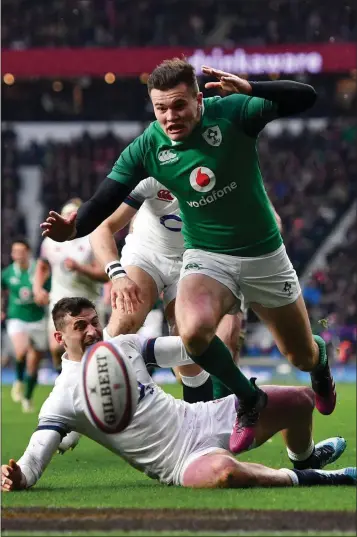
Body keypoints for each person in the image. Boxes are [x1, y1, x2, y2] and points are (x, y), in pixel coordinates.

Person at [40, 59, 336, 454]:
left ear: (199, 100)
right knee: (192, 332)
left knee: (299, 354)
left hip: (263, 254)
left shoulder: (231, 112)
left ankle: (319, 362)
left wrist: (250, 87)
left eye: (178, 105)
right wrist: (73, 228)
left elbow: (307, 97)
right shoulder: (149, 145)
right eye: (160, 108)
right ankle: (248, 399)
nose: (169, 116)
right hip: (205, 257)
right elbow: (104, 200)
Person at [1, 297, 354, 492]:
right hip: (179, 461)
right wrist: (17, 477)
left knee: (301, 401)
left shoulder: (124, 345)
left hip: (202, 417)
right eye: (81, 326)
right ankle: (320, 477)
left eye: (95, 321)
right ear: (60, 338)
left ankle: (305, 458)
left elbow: (188, 349)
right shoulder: (61, 398)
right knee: (225, 474)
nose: (94, 330)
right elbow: (32, 463)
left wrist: (206, 332)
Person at [90, 176, 245, 401]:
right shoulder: (153, 173)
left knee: (190, 341)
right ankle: (80, 398)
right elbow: (102, 227)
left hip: (194, 258)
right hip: (146, 254)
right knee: (125, 321)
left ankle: (201, 422)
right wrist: (118, 275)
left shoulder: (224, 178)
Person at [33, 198, 108, 374]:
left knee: (91, 350)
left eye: (71, 215)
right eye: (65, 215)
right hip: (59, 299)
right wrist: (38, 289)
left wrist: (80, 268)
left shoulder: (92, 239)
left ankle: (88, 386)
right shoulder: (50, 241)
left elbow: (104, 275)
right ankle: (68, 379)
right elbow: (42, 266)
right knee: (57, 348)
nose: (67, 219)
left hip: (88, 302)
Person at [1, 239, 50, 413]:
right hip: (16, 317)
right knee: (21, 351)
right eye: (15, 251)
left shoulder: (39, 270)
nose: (18, 254)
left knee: (33, 363)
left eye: (21, 251)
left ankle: (28, 397)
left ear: (28, 252)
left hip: (37, 319)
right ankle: (18, 381)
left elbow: (49, 291)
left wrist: (44, 297)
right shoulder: (7, 273)